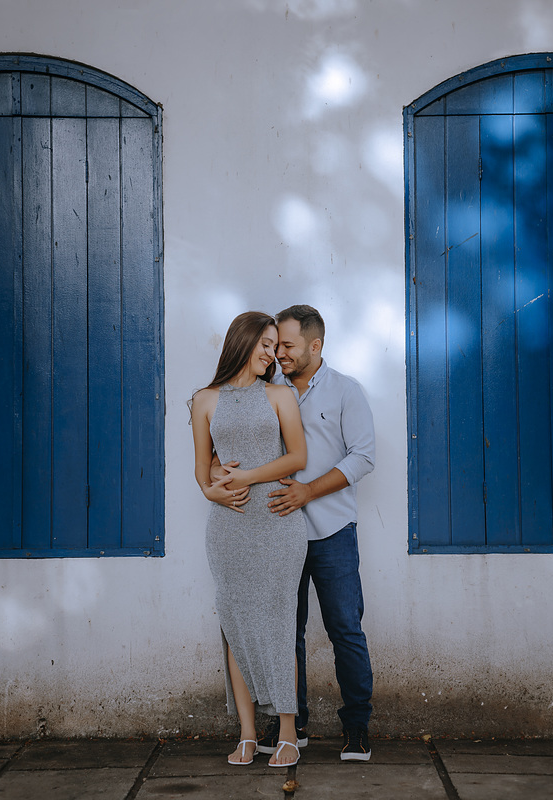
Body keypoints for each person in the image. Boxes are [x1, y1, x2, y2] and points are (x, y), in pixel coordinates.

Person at [218, 304, 377, 762]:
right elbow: (225, 439)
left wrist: (308, 492)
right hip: (273, 530)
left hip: (330, 530)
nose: (278, 353)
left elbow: (363, 457)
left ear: (315, 345)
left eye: (286, 345)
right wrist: (216, 469)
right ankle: (294, 724)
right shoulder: (265, 389)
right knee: (283, 632)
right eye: (274, 345)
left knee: (345, 627)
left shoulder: (346, 391)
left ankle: (357, 728)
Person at [190, 311, 309, 768]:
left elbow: (297, 456)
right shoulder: (204, 400)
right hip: (228, 529)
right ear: (241, 342)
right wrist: (214, 491)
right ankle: (246, 732)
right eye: (264, 343)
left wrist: (251, 478)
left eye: (275, 344)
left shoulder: (280, 395)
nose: (271, 353)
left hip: (277, 524)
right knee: (236, 627)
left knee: (279, 628)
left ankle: (286, 732)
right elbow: (202, 474)